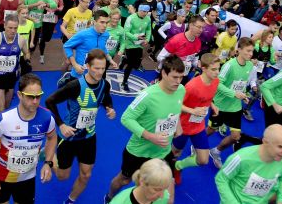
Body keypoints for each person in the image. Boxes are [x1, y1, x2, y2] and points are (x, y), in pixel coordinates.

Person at [104, 56, 186, 204]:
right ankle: (109, 197)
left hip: (162, 152)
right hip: (139, 151)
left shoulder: (181, 90)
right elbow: (126, 118)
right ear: (164, 73)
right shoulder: (147, 95)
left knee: (168, 191)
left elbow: (175, 109)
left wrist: (177, 126)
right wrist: (150, 136)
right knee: (124, 180)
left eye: (181, 77)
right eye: (175, 77)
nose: (178, 81)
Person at [45, 49, 116, 204]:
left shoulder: (105, 84)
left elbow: (105, 97)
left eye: (103, 68)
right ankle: (48, 155)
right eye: (96, 68)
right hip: (69, 137)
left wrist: (109, 108)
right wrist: (61, 125)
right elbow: (49, 101)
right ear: (88, 67)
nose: (100, 72)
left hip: (89, 135)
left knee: (86, 174)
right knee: (62, 177)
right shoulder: (75, 86)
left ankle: (71, 200)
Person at [0, 73, 56, 204]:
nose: (35, 101)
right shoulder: (4, 119)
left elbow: (52, 138)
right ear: (19, 95)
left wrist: (48, 163)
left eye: (38, 96)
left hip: (28, 178)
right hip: (2, 176)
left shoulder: (47, 118)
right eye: (30, 97)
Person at [207, 38, 257, 168]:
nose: (251, 54)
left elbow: (241, 84)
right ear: (239, 50)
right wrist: (234, 94)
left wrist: (244, 95)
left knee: (235, 136)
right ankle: (197, 143)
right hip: (221, 105)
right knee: (211, 130)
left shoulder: (250, 65)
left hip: (235, 106)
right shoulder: (229, 65)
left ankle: (216, 151)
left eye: (252, 51)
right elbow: (217, 83)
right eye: (248, 51)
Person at [171, 53, 220, 183]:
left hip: (198, 126)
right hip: (183, 126)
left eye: (218, 68)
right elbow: (176, 104)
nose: (217, 72)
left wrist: (212, 105)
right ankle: (167, 172)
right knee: (174, 153)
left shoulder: (216, 82)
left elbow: (206, 98)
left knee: (203, 160)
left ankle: (178, 167)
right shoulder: (192, 86)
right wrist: (193, 110)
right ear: (203, 68)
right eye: (213, 69)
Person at [215, 124, 282, 204]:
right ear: (265, 142)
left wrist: (281, 199)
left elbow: (281, 180)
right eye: (280, 147)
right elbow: (221, 179)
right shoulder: (241, 158)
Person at [0, 15, 31, 114]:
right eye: (10, 28)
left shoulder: (21, 40)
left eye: (15, 28)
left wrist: (27, 60)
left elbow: (27, 52)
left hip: (11, 77)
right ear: (4, 26)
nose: (13, 31)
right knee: (1, 107)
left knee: (7, 107)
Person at [62, 10, 118, 87]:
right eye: (102, 22)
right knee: (74, 98)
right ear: (94, 22)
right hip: (79, 75)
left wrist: (110, 59)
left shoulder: (106, 34)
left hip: (94, 75)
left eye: (106, 23)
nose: (105, 25)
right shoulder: (83, 34)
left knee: (90, 98)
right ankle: (66, 79)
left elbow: (103, 48)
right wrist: (75, 65)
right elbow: (67, 46)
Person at [120, 4, 152, 91]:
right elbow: (126, 32)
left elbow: (149, 29)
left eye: (146, 12)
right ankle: (124, 82)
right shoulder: (131, 18)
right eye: (143, 11)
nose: (145, 14)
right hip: (130, 43)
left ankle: (124, 60)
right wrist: (136, 37)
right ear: (138, 10)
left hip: (139, 43)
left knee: (137, 64)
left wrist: (147, 39)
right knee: (131, 65)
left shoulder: (148, 18)